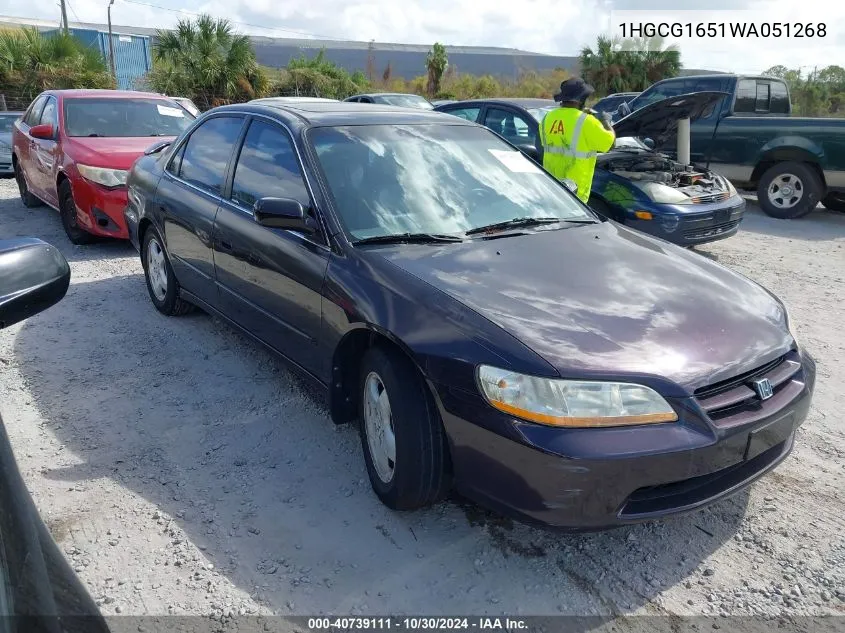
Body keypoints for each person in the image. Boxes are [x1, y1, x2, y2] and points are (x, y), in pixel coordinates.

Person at [540, 78, 616, 203]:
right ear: (581, 99)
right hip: (575, 194)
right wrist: (606, 121)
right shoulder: (586, 121)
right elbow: (611, 144)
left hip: (552, 189)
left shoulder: (547, 118)